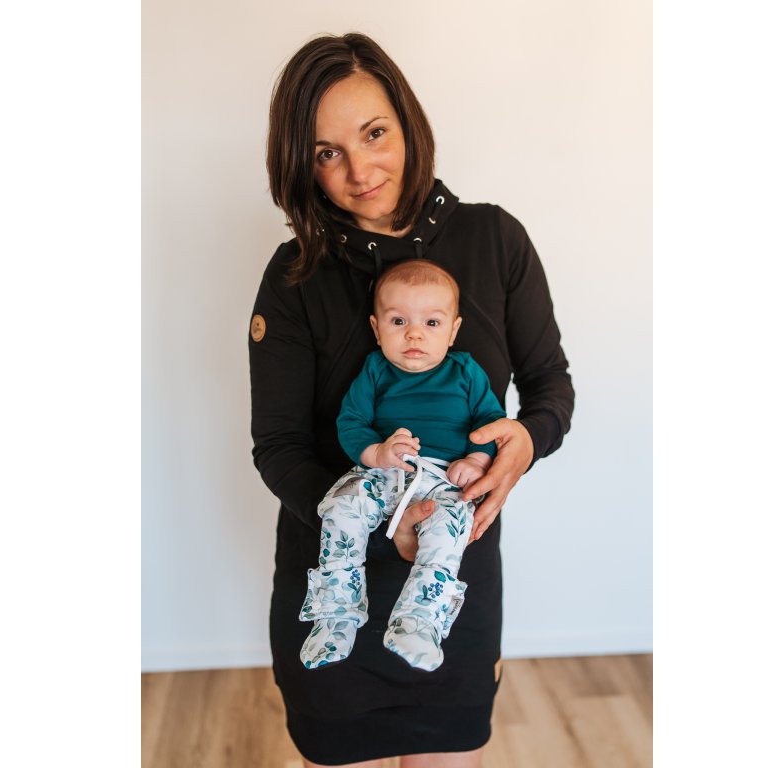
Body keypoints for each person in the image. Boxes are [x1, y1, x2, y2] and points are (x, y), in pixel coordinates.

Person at [250, 32, 574, 768]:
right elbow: (279, 449)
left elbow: (549, 385)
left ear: (408, 122)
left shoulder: (495, 240)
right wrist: (383, 525)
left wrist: (526, 441)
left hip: (454, 581)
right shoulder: (295, 277)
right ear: (301, 163)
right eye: (327, 152)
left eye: (374, 134)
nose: (360, 171)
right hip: (334, 579)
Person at [300, 260, 506, 673]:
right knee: (339, 507)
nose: (414, 334)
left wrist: (475, 459)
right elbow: (351, 422)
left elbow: (490, 422)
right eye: (398, 321)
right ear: (376, 329)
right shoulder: (376, 369)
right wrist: (377, 453)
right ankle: (336, 616)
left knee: (450, 532)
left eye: (431, 323)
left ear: (453, 330)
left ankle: (419, 623)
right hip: (380, 472)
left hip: (443, 479)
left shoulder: (466, 371)